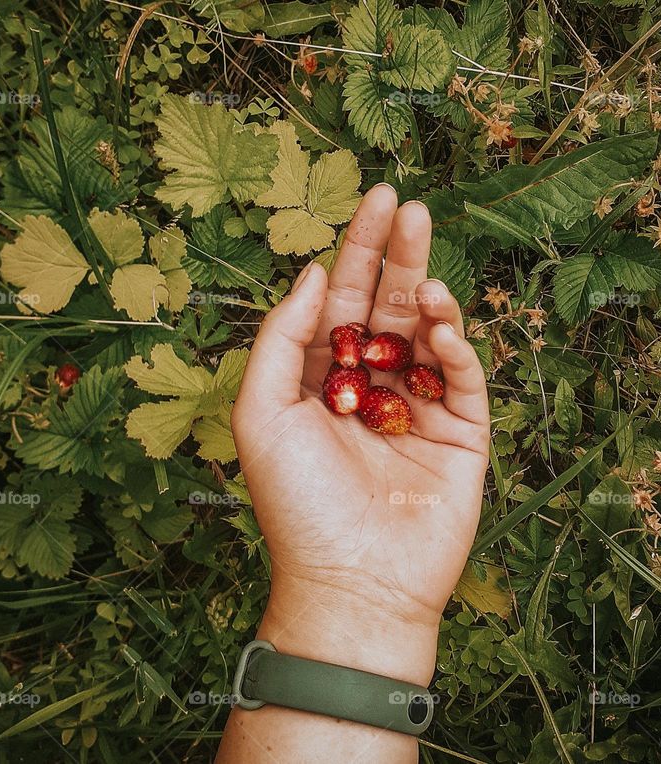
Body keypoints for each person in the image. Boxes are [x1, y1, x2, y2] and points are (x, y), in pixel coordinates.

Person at [218, 184, 490, 762]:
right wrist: (356, 604)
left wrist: (354, 605)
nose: (356, 359)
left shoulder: (367, 372)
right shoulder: (357, 372)